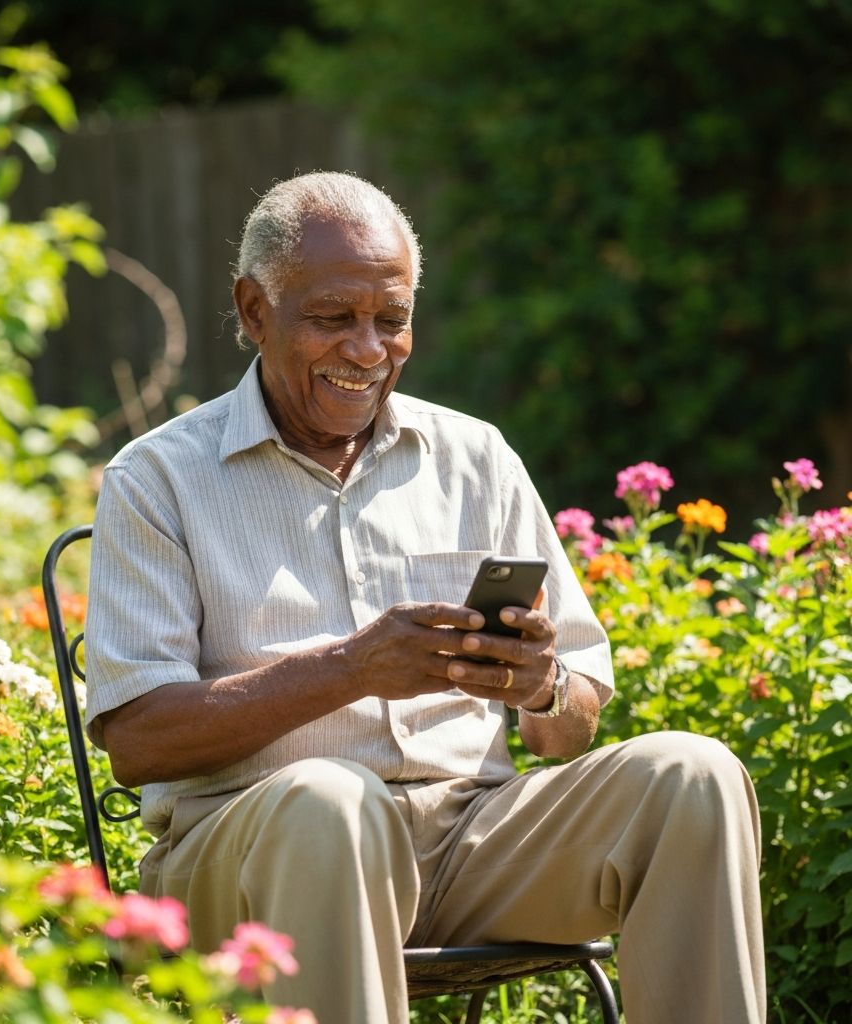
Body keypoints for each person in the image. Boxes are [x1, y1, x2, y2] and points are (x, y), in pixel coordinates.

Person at [84, 171, 766, 1024]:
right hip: (253, 852)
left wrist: (539, 684)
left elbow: (571, 721)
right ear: (255, 311)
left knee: (691, 776)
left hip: (466, 839)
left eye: (392, 319)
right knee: (331, 801)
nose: (368, 349)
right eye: (334, 318)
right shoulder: (159, 479)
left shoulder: (474, 456)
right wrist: (350, 668)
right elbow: (139, 742)